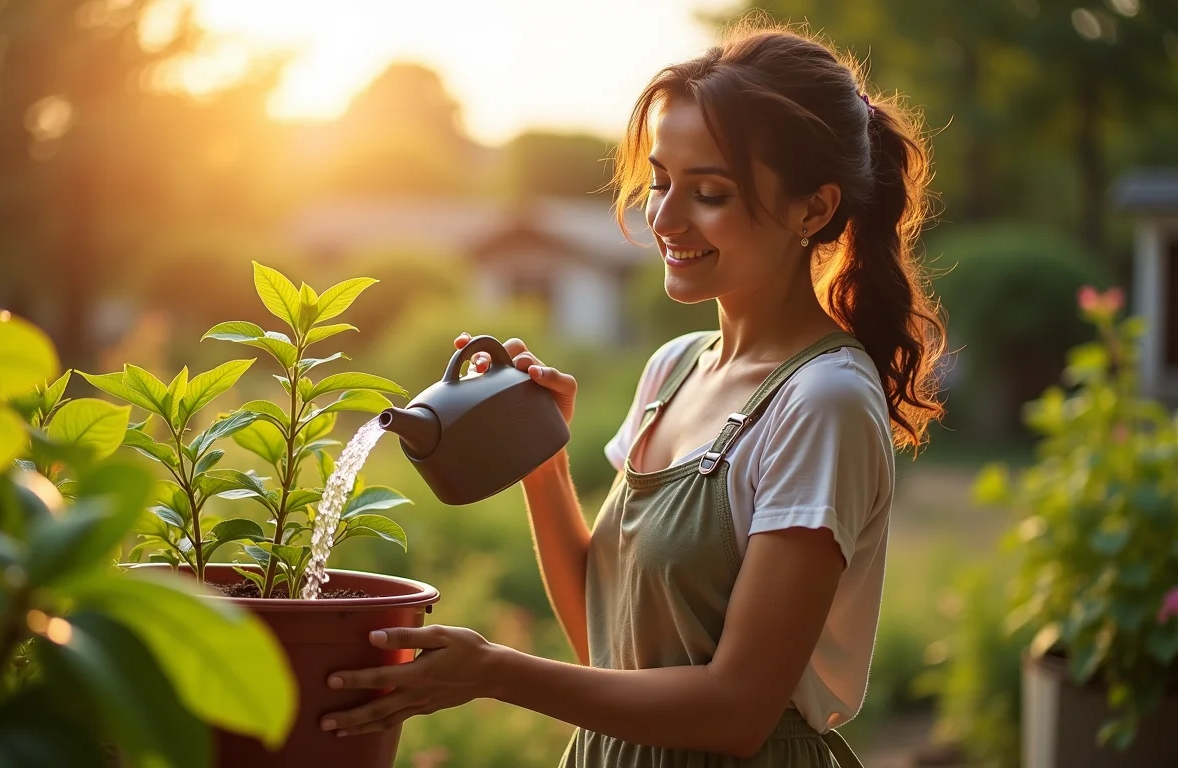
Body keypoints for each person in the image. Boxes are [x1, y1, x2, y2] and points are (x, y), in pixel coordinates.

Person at [319, 19, 945, 767]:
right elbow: (607, 644)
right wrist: (541, 459)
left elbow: (737, 710)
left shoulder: (822, 403)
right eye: (660, 181)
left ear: (813, 209)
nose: (665, 219)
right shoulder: (674, 368)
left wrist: (493, 672)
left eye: (708, 192)